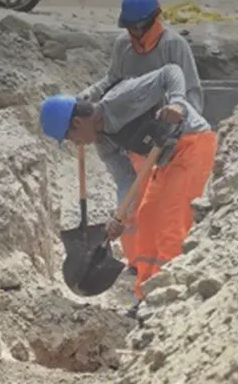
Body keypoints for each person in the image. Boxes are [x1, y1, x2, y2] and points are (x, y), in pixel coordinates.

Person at [41, 64, 217, 307]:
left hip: (192, 145)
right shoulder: (104, 143)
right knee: (146, 217)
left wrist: (177, 102)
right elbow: (126, 180)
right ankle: (146, 296)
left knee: (171, 223)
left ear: (78, 123)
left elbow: (171, 72)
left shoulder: (121, 99)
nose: (75, 144)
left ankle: (169, 299)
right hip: (165, 160)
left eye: (71, 138)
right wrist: (121, 216)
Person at [77, 0, 204, 269]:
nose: (135, 34)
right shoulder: (123, 46)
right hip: (138, 138)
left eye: (140, 28)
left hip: (169, 136)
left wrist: (183, 125)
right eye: (130, 28)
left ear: (154, 21)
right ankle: (139, 265)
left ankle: (170, 266)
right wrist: (88, 96)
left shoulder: (173, 46)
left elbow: (192, 91)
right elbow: (112, 80)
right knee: (135, 206)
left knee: (169, 206)